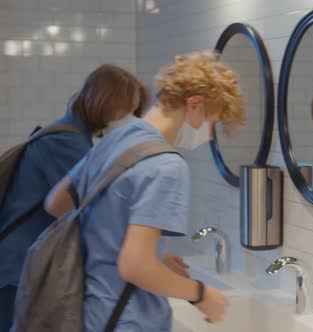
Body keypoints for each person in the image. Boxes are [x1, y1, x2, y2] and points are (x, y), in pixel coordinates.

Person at [45, 51, 245, 331]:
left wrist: (153, 254)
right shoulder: (166, 165)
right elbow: (134, 267)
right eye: (211, 122)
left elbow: (56, 203)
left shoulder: (116, 138)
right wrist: (201, 294)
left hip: (92, 313)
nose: (209, 135)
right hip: (130, 320)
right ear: (194, 105)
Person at [0, 64, 147, 331]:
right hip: (17, 267)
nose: (131, 118)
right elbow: (91, 212)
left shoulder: (71, 135)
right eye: (127, 110)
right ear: (103, 102)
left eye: (135, 111)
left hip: (20, 264)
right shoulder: (66, 143)